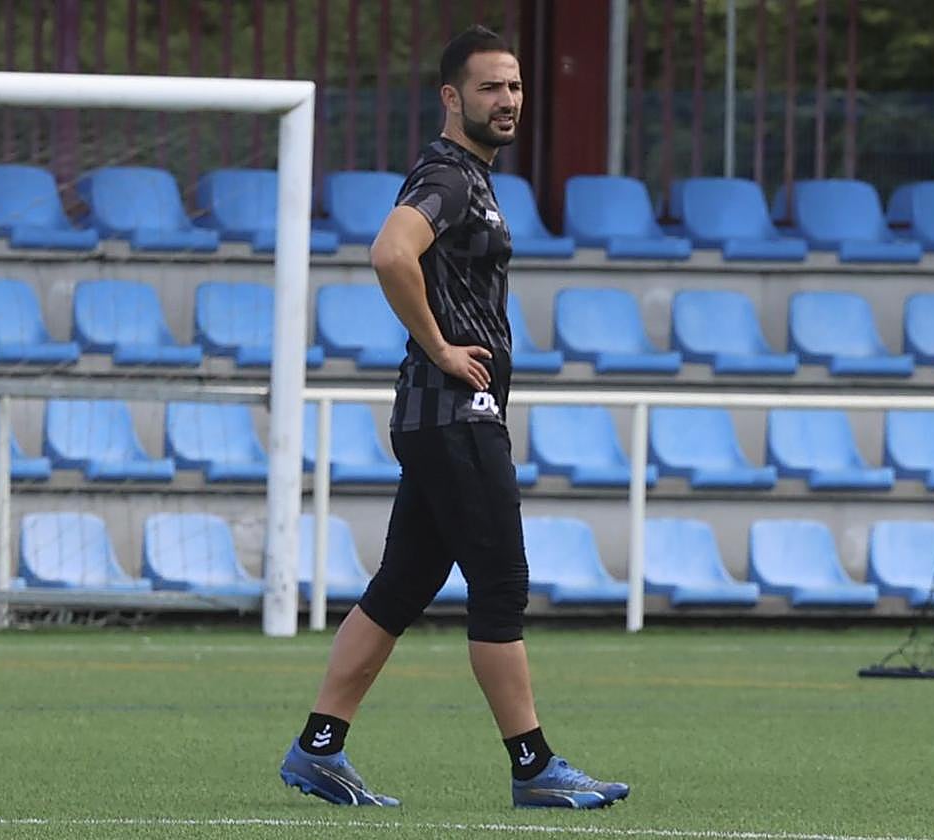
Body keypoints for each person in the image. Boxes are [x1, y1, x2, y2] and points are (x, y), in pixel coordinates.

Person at [278, 25, 630, 810]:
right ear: (451, 97)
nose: (507, 100)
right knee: (501, 583)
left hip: (440, 416)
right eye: (489, 88)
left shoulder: (469, 175)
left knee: (403, 585)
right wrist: (439, 346)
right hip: (453, 414)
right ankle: (533, 766)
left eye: (514, 87)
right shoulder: (449, 176)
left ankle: (318, 749)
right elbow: (390, 252)